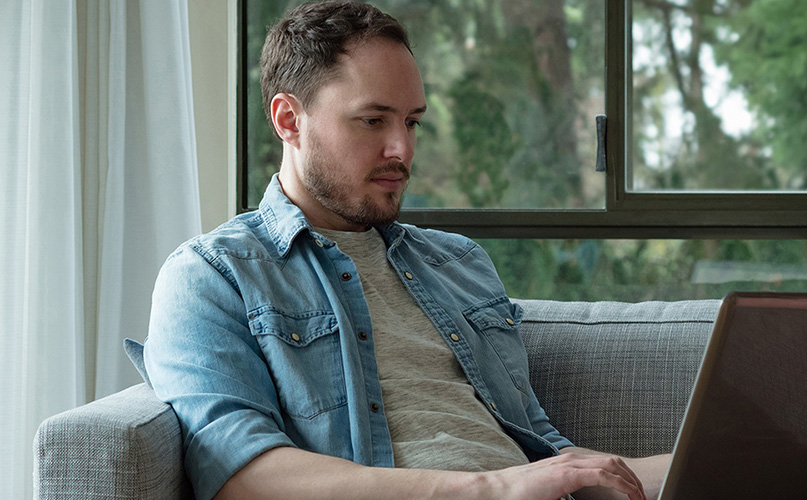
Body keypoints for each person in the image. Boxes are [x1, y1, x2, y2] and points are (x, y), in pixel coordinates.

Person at [142, 2, 671, 499]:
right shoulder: (214, 276)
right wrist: (492, 489)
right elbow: (243, 475)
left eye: (412, 121)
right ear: (288, 120)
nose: (402, 149)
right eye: (373, 120)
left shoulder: (457, 263)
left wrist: (726, 458)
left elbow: (547, 454)